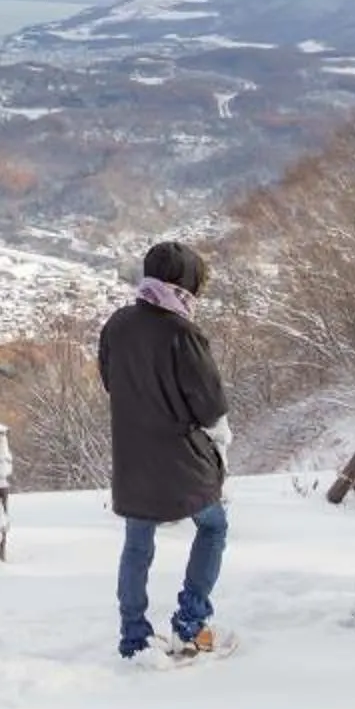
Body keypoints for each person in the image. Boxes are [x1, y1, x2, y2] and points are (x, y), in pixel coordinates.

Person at [98, 239, 231, 659]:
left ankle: (133, 637)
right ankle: (190, 625)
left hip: (132, 456)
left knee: (137, 543)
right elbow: (210, 407)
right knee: (212, 526)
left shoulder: (117, 325)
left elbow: (109, 380)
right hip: (181, 459)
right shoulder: (183, 333)